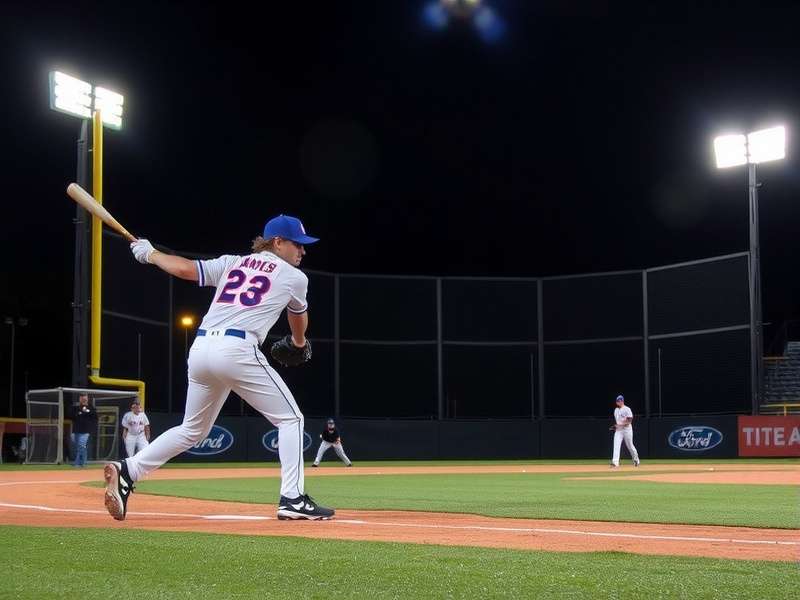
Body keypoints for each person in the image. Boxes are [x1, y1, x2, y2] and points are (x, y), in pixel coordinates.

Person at [103, 214, 334, 521]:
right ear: (277, 242)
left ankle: (129, 469)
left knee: (192, 429)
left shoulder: (232, 263)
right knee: (291, 419)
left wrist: (151, 254)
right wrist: (298, 341)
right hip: (237, 350)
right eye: (297, 244)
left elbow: (186, 269)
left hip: (200, 349)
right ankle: (292, 498)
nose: (303, 251)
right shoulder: (295, 277)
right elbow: (298, 316)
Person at [610, 394, 640, 468]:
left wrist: (619, 425)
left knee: (630, 445)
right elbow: (618, 421)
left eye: (619, 400)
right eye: (617, 401)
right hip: (619, 431)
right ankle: (615, 463)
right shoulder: (616, 410)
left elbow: (629, 421)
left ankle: (636, 459)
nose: (618, 402)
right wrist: (615, 426)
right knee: (616, 445)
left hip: (627, 430)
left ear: (622, 401)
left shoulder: (627, 409)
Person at [71, 394, 97, 467]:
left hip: (85, 430)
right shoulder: (76, 407)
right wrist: (81, 412)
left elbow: (94, 416)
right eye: (82, 398)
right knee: (79, 447)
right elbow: (72, 415)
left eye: (85, 398)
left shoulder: (91, 407)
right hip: (75, 430)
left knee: (81, 446)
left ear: (87, 399)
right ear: (80, 399)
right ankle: (83, 463)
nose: (83, 400)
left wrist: (87, 411)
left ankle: (77, 463)